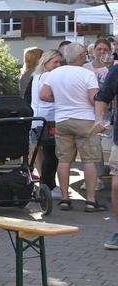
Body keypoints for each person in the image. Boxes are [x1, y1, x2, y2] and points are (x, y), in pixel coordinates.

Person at [42, 43, 105, 212]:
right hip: (85, 119)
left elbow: (44, 95)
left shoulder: (54, 73)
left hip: (62, 119)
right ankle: (91, 201)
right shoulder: (88, 74)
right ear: (81, 57)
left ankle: (64, 199)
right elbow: (94, 99)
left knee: (64, 160)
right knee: (89, 160)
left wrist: (62, 101)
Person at [31, 49, 62, 185]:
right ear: (46, 62)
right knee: (52, 154)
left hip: (36, 118)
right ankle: (48, 183)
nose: (58, 65)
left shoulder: (36, 75)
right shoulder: (49, 76)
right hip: (49, 119)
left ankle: (45, 181)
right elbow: (44, 95)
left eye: (60, 62)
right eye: (55, 62)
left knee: (39, 151)